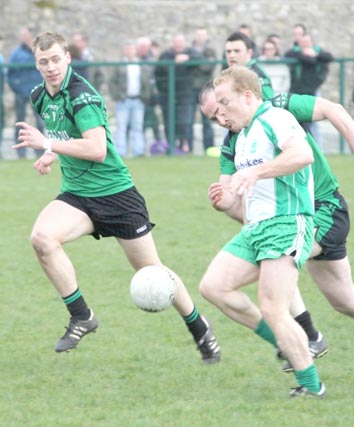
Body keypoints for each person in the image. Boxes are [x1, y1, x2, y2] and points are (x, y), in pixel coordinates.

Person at [199, 77, 354, 385]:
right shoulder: (233, 143)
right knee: (346, 300)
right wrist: (222, 200)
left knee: (277, 268)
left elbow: (332, 109)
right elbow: (236, 202)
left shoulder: (279, 109)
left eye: (221, 109)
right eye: (211, 118)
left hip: (323, 210)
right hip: (287, 219)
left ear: (236, 98)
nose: (220, 119)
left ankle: (301, 345)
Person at [12, 32, 220, 364]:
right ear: (36, 65)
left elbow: (96, 148)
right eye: (43, 61)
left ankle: (198, 327)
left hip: (117, 197)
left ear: (68, 57)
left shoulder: (83, 96)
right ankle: (82, 315)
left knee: (153, 270)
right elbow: (64, 135)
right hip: (79, 196)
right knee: (42, 238)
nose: (50, 67)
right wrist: (52, 153)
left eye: (55, 59)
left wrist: (48, 146)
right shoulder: (40, 95)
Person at [200, 66, 326, 398]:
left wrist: (257, 172)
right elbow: (243, 194)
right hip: (256, 228)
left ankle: (313, 387)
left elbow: (302, 154)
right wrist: (225, 199)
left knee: (273, 307)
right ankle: (281, 340)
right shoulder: (242, 137)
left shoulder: (276, 119)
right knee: (213, 287)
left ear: (247, 95)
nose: (221, 112)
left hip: (286, 223)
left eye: (225, 103)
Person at [155, 33, 202, 153]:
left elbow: (201, 61)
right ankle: (171, 147)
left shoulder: (190, 53)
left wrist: (188, 58)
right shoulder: (166, 55)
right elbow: (160, 70)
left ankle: (186, 147)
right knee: (169, 121)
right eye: (176, 42)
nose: (178, 45)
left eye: (180, 42)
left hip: (185, 94)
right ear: (173, 43)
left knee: (185, 121)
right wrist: (175, 62)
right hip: (168, 94)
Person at [108, 40, 151, 157]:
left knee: (138, 126)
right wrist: (117, 95)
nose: (129, 52)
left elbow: (147, 82)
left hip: (138, 100)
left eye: (131, 49)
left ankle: (139, 151)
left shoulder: (141, 65)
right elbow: (112, 82)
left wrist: (144, 96)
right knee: (121, 126)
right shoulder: (119, 66)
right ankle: (120, 151)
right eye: (127, 49)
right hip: (123, 100)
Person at [7, 27, 45, 159]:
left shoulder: (39, 51)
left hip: (38, 93)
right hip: (21, 93)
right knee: (20, 121)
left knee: (40, 122)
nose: (21, 37)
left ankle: (40, 149)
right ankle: (20, 151)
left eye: (24, 34)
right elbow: (10, 74)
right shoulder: (16, 53)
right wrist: (16, 88)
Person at [189, 27, 217, 153]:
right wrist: (203, 61)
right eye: (198, 35)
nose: (200, 37)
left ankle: (209, 147)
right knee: (188, 119)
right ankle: (188, 148)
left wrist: (195, 62)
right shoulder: (189, 50)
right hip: (190, 89)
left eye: (203, 35)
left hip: (206, 90)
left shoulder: (210, 50)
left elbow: (208, 67)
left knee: (208, 119)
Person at [136, 36, 165, 153]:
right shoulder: (134, 60)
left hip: (150, 99)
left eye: (145, 47)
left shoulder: (154, 61)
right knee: (139, 125)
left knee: (154, 123)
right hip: (137, 98)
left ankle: (158, 147)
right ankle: (139, 149)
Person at [224, 32, 274, 99]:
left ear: (249, 53)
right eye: (228, 51)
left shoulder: (258, 75)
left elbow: (269, 102)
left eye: (237, 51)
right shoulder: (229, 73)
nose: (232, 55)